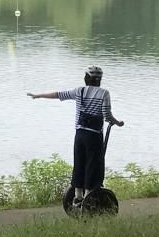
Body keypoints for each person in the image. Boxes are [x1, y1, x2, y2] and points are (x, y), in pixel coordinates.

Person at [27, 65, 123, 206]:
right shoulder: (104, 93)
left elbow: (59, 94)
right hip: (94, 136)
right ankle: (89, 196)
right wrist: (117, 122)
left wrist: (39, 95)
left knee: (79, 163)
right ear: (99, 80)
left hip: (80, 135)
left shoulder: (80, 91)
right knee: (93, 165)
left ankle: (77, 196)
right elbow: (107, 115)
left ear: (86, 78)